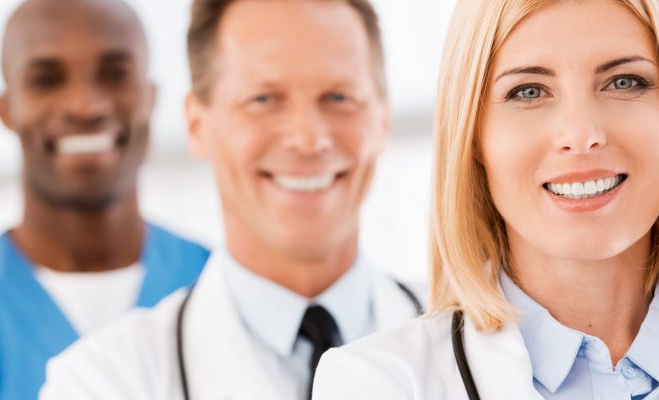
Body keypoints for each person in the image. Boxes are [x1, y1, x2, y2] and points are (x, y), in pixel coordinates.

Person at [313, 0, 659, 399]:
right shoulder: (376, 384)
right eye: (529, 90)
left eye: (624, 81)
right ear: (474, 139)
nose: (581, 135)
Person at [40, 0, 423, 399]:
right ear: (197, 124)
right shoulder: (103, 382)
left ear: (382, 119)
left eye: (339, 97)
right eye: (263, 99)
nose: (309, 138)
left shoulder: (476, 342)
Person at [0, 0, 210, 398]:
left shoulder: (225, 290)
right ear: (5, 108)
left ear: (151, 96)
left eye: (115, 74)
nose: (85, 106)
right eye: (46, 79)